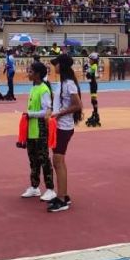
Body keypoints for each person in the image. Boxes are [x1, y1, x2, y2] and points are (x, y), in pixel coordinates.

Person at [47, 54, 83, 212]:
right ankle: (63, 194)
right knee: (58, 161)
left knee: (58, 161)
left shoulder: (69, 84)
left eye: (56, 64)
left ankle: (62, 199)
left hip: (64, 127)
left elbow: (78, 105)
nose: (55, 67)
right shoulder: (63, 83)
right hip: (59, 126)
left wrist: (59, 114)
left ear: (62, 66)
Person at [20, 61, 57, 201]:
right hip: (31, 130)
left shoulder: (44, 89)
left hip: (40, 129)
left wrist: (31, 114)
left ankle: (50, 189)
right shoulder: (33, 88)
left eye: (30, 72)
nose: (28, 74)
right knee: (33, 159)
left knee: (43, 159)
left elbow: (47, 111)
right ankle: (35, 187)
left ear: (37, 74)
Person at [84, 52, 101, 126]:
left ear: (94, 60)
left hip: (93, 85)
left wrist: (87, 71)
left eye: (90, 59)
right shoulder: (93, 66)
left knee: (94, 100)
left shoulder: (94, 66)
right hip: (92, 84)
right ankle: (95, 113)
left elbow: (91, 75)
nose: (89, 61)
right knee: (93, 100)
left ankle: (96, 114)